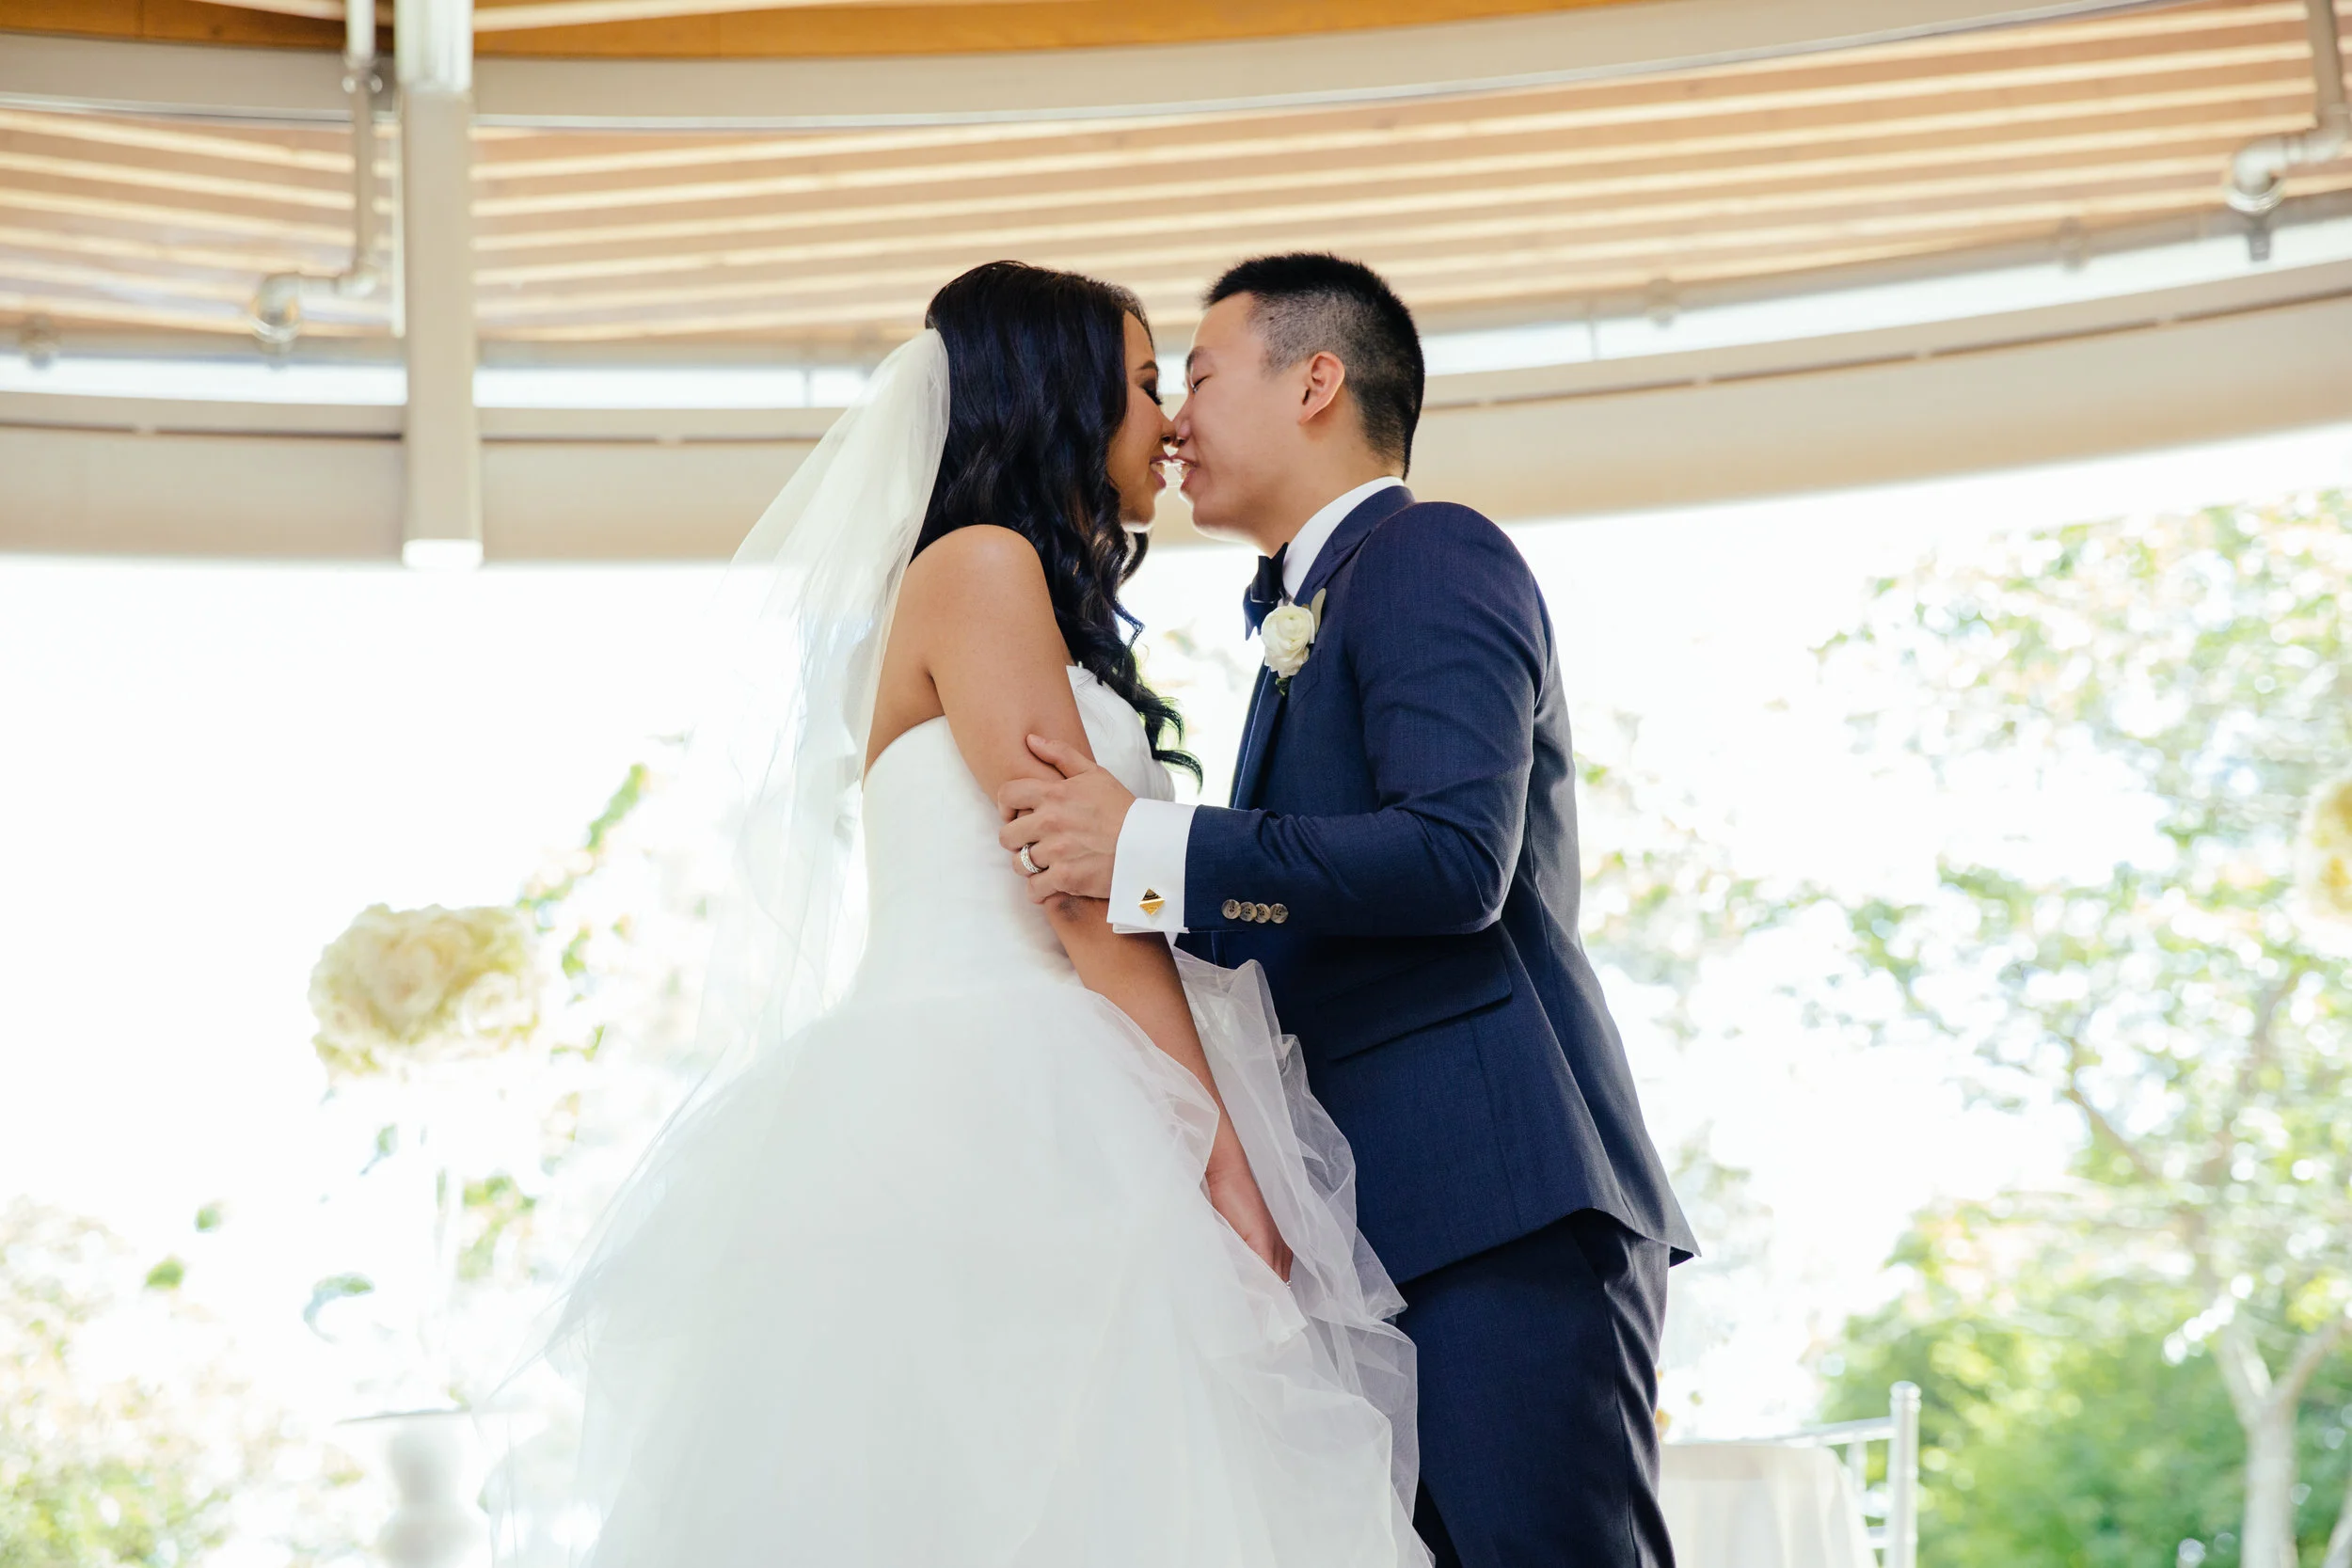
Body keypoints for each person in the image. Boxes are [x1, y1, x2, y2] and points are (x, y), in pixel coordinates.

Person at [491, 261, 1427, 1568]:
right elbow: (1083, 892)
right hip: (1006, 1098)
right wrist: (1228, 1166)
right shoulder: (981, 567)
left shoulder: (1011, 597)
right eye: (1144, 384)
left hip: (1051, 1078)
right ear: (1058, 400)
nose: (1167, 421)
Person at [998, 252, 1699, 1568]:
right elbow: (1292, 913)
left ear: (1316, 381)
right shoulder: (1298, 620)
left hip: (1494, 1205)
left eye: (1199, 376)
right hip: (1368, 1230)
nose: (1175, 422)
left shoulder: (1431, 551)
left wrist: (1147, 843)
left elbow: (1452, 858)